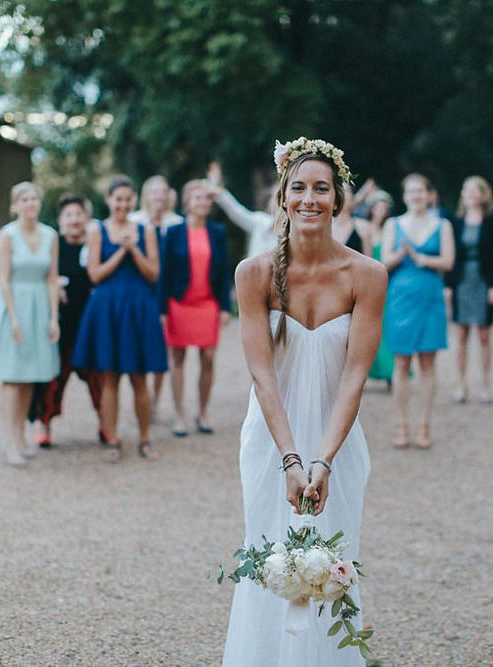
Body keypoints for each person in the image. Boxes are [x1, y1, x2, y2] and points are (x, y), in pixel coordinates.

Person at [223, 137, 386, 666]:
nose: (309, 198)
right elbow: (262, 376)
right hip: (272, 437)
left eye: (322, 188)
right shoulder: (253, 273)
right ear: (282, 197)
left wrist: (323, 460)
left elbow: (355, 375)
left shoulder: (367, 275)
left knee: (335, 560)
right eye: (299, 188)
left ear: (338, 199)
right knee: (269, 554)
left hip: (337, 440)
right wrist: (292, 459)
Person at [73, 175, 167, 463]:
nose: (123, 204)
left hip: (138, 307)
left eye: (128, 199)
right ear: (109, 200)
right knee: (109, 377)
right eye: (118, 199)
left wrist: (134, 249)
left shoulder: (146, 230)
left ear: (134, 201)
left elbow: (153, 273)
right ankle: (112, 438)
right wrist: (121, 252)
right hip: (108, 307)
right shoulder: (97, 231)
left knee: (139, 378)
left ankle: (144, 438)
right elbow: (95, 274)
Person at [0, 182, 59, 467]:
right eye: (24, 199)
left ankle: (22, 434)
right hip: (13, 304)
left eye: (34, 198)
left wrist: (53, 317)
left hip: (39, 305)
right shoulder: (7, 235)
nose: (31, 203)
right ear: (15, 205)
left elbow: (52, 278)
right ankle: (9, 439)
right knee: (13, 376)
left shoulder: (51, 236)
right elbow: (2, 278)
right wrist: (13, 318)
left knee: (31, 376)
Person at [382, 173, 455, 448]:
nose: (416, 196)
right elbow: (383, 261)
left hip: (430, 297)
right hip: (401, 298)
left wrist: (420, 257)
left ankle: (424, 424)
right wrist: (402, 255)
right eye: (411, 191)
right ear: (404, 196)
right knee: (401, 362)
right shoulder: (393, 224)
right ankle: (401, 424)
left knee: (428, 363)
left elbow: (448, 261)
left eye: (420, 191)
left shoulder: (442, 224)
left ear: (428, 194)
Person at [29, 194, 105, 448]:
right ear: (61, 221)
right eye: (69, 215)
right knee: (52, 380)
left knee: (98, 379)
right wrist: (54, 286)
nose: (74, 220)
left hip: (89, 324)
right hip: (60, 325)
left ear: (86, 217)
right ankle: (44, 424)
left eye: (78, 214)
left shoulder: (95, 245)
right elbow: (41, 275)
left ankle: (105, 423)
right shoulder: (54, 246)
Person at [160, 179, 231, 436]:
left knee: (209, 358)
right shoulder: (174, 232)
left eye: (206, 198)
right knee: (177, 358)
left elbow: (223, 272)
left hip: (208, 303)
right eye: (197, 198)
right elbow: (164, 273)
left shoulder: (217, 232)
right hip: (179, 303)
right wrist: (163, 310)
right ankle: (179, 414)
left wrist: (225, 306)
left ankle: (203, 411)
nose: (203, 202)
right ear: (187, 203)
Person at [446, 177, 493, 404]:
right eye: (467, 189)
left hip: (484, 280)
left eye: (476, 190)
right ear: (462, 194)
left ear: (483, 194)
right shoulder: (456, 221)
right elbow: (452, 257)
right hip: (462, 280)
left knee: (484, 335)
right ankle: (461, 384)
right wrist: (449, 286)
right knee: (461, 334)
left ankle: (486, 384)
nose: (471, 193)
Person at [128, 175, 183, 417]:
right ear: (146, 195)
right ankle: (140, 396)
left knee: (165, 348)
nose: (159, 196)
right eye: (154, 191)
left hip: (169, 292)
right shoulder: (133, 221)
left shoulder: (177, 223)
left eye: (163, 191)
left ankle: (155, 401)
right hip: (140, 289)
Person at [206, 161, 276, 257]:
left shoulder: (294, 232)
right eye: (274, 197)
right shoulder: (261, 221)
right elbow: (237, 212)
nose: (277, 202)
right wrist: (219, 192)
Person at [365, 189, 395, 385]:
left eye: (384, 207)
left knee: (389, 325)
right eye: (377, 207)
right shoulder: (365, 229)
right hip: (371, 281)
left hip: (390, 281)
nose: (381, 211)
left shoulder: (391, 229)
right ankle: (371, 370)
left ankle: (391, 370)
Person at [332, 183, 369, 255]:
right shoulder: (324, 227)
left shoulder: (363, 227)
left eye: (347, 191)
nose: (343, 194)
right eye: (340, 190)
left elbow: (369, 262)